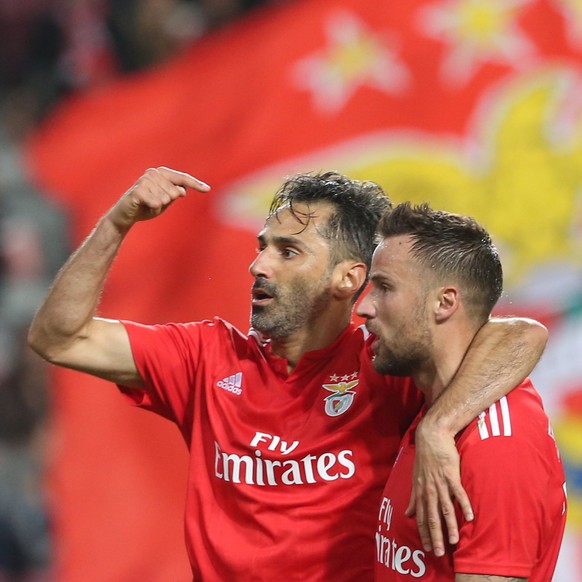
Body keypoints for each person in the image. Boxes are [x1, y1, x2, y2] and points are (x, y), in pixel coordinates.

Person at [28, 167, 548, 581]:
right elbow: (58, 337)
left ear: (348, 279)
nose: (258, 266)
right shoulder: (204, 357)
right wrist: (119, 222)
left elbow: (520, 335)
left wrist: (439, 425)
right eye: (262, 246)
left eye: (288, 251)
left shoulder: (386, 364)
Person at [357, 202, 567, 581]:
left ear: (445, 303)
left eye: (384, 287)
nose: (365, 307)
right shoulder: (433, 409)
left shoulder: (499, 444)